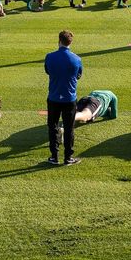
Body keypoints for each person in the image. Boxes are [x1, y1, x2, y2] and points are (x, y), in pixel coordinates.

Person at [45, 30, 83, 166]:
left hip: (54, 97)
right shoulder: (77, 59)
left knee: (53, 127)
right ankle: (68, 157)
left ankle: (54, 156)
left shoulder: (50, 57)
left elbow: (48, 71)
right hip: (69, 98)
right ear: (70, 42)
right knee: (69, 128)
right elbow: (79, 75)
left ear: (59, 40)